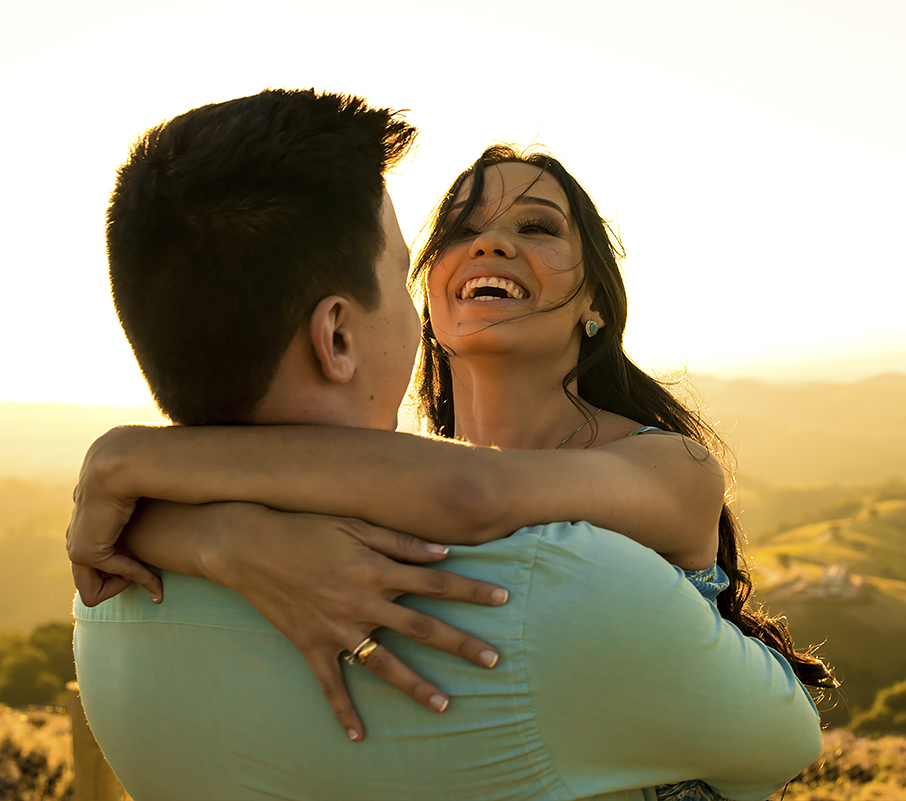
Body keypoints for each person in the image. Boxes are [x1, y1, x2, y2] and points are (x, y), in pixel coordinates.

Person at [70, 88, 825, 801]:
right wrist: (217, 532)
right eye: (459, 230)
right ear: (427, 292)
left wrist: (136, 464)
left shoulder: (670, 466)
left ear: (595, 298)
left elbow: (474, 494)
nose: (491, 242)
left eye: (536, 227)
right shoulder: (388, 475)